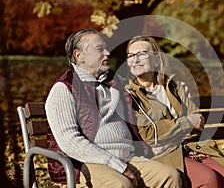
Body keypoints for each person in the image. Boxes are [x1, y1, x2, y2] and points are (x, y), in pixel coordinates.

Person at [45, 28, 182, 188]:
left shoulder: (114, 83)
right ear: (79, 55)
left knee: (170, 176)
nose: (107, 53)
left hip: (129, 157)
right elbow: (69, 141)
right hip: (89, 163)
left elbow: (146, 91)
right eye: (99, 49)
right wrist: (117, 165)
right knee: (120, 185)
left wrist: (166, 87)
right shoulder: (64, 89)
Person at [125, 36, 224, 188]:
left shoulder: (174, 86)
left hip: (192, 147)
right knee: (208, 179)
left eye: (141, 54)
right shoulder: (130, 95)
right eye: (131, 56)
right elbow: (149, 134)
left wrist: (175, 128)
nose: (135, 60)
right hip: (163, 154)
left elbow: (198, 122)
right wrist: (186, 123)